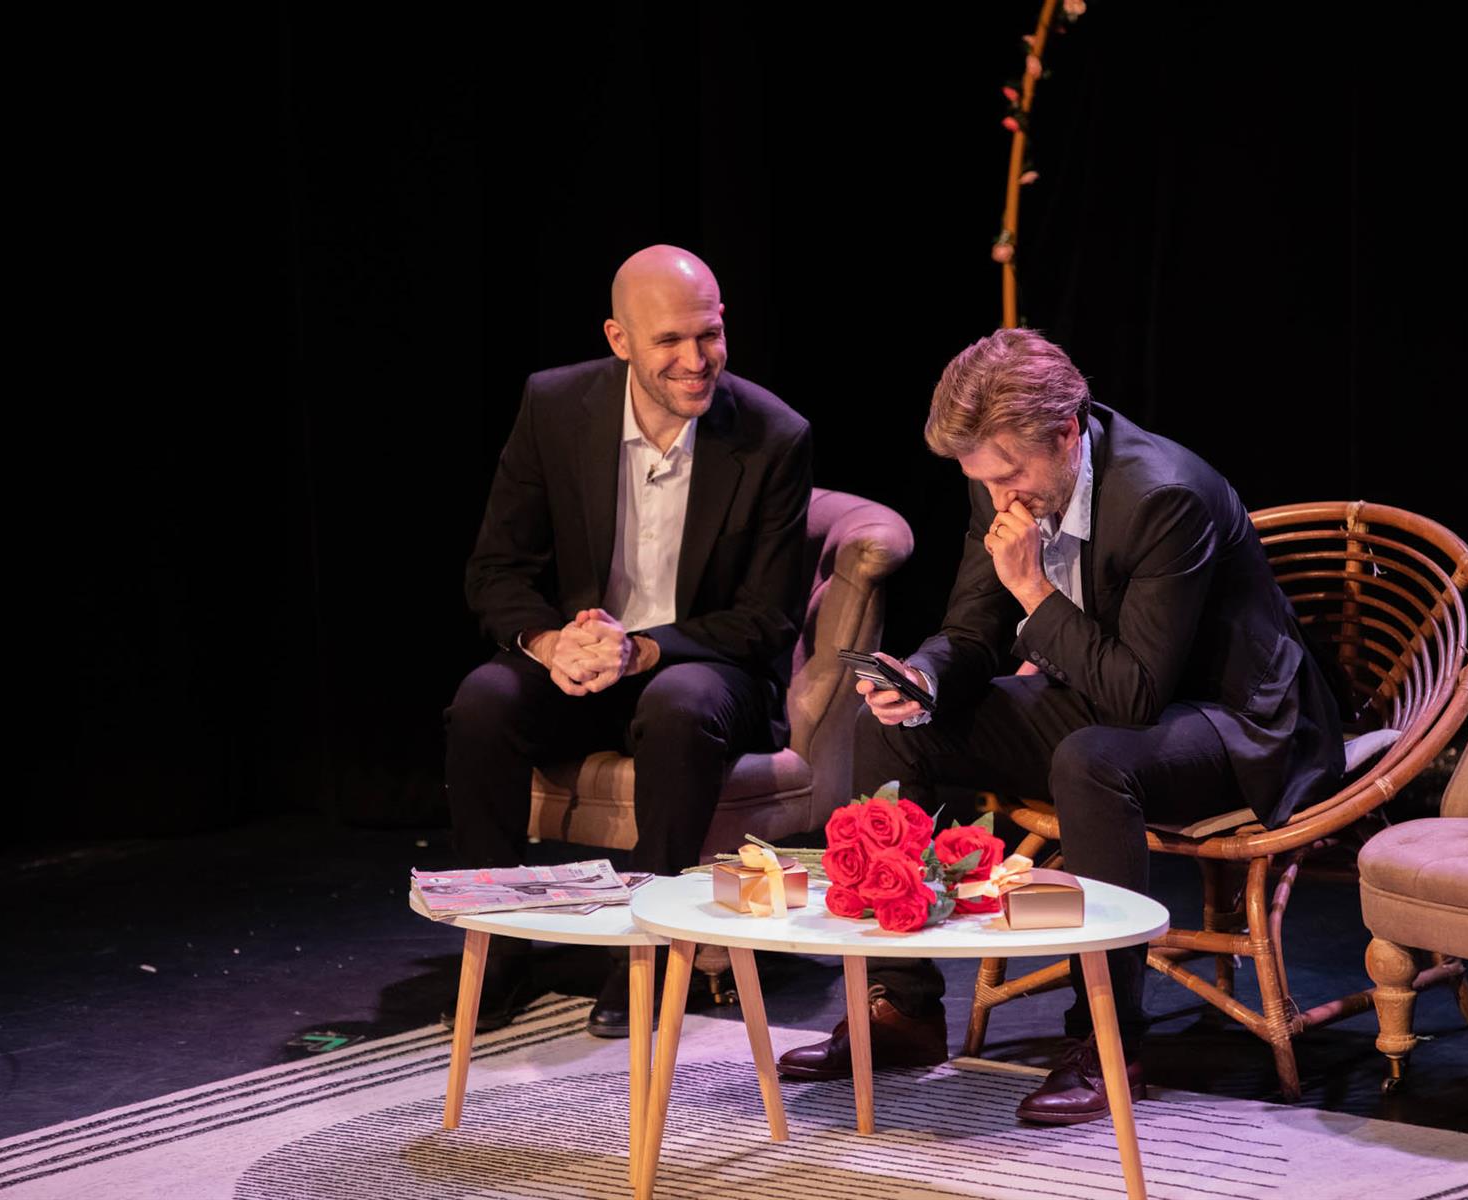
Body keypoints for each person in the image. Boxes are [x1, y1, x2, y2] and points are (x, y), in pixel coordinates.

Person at [776, 328, 1345, 1124]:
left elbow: (1135, 696)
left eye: (1010, 475)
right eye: (982, 479)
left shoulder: (1164, 496)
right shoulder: (1004, 480)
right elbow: (972, 628)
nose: (999, 497)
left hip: (1234, 723)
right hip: (1103, 692)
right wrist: (925, 677)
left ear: (1067, 431)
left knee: (1091, 760)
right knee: (895, 730)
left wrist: (1033, 591)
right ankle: (903, 1010)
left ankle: (1108, 1040)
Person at [446, 245, 812, 1035]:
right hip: (583, 659)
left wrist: (642, 650)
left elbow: (766, 620)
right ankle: (499, 947)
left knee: (679, 705)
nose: (696, 360)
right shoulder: (555, 406)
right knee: (484, 702)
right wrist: (550, 642)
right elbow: (497, 569)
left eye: (709, 334)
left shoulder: (774, 436)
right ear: (619, 339)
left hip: (706, 664)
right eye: (669, 341)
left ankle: (645, 951)